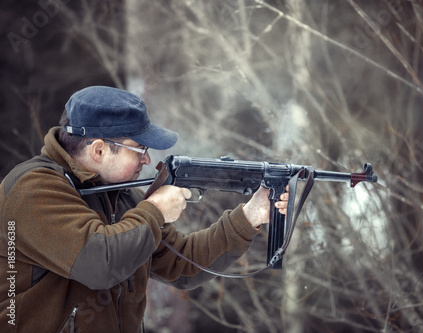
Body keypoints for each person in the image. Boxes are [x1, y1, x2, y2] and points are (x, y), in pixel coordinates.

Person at [0, 86, 289, 332]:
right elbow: (100, 263)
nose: (148, 160)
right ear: (98, 150)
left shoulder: (121, 195)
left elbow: (183, 265)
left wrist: (250, 216)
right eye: (139, 149)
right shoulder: (33, 189)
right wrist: (155, 210)